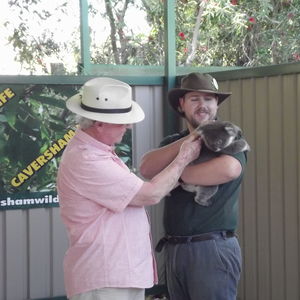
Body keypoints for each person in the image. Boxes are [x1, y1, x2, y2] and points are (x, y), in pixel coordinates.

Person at [56, 77, 201, 300]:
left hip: (115, 274)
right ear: (99, 123)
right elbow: (150, 194)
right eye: (121, 121)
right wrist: (183, 158)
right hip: (106, 277)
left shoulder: (97, 151)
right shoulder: (87, 158)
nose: (128, 126)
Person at [140, 72, 248, 300]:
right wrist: (193, 137)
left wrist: (173, 175)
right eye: (195, 99)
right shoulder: (172, 143)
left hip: (211, 248)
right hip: (174, 248)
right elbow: (147, 168)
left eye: (209, 99)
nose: (203, 105)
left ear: (216, 104)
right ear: (182, 104)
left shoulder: (228, 137)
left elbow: (229, 169)